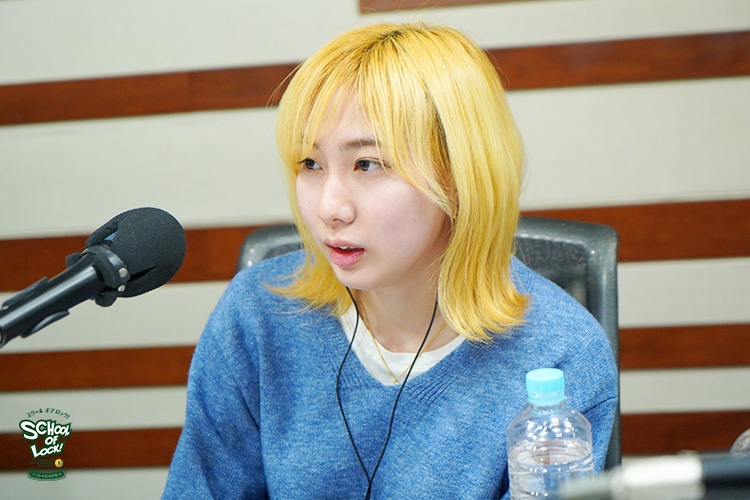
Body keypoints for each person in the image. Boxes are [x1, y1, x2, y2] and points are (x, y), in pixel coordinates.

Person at [162, 22, 618, 499]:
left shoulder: (560, 354)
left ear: (459, 177)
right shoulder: (257, 315)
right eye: (310, 164)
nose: (329, 208)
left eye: (368, 164)